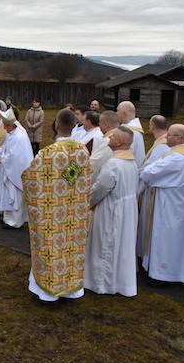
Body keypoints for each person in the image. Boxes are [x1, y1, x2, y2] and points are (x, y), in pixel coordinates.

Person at [22, 108, 92, 302]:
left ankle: (48, 293)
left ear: (57, 125)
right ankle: (71, 290)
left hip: (51, 212)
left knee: (50, 247)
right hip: (74, 212)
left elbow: (30, 178)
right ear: (73, 126)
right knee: (71, 248)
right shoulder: (82, 151)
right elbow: (81, 178)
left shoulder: (48, 153)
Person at [140, 124, 184, 285]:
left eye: (170, 135)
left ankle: (162, 274)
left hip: (169, 204)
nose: (166, 137)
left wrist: (147, 170)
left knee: (164, 237)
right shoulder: (179, 154)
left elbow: (148, 173)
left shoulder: (177, 158)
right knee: (167, 237)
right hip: (173, 201)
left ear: (179, 138)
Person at [85, 126, 139, 297]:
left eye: (113, 137)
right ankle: (121, 282)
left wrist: (87, 200)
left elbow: (100, 189)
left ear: (120, 142)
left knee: (105, 245)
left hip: (111, 210)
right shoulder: (132, 162)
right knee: (121, 246)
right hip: (127, 210)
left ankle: (102, 283)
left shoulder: (113, 164)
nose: (109, 139)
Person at [0, 108, 34, 229]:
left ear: (11, 125)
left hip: (16, 171)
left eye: (5, 126)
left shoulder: (19, 136)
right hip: (11, 170)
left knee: (15, 196)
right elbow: (7, 149)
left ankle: (15, 222)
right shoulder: (12, 133)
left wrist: (3, 160)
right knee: (9, 195)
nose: (4, 128)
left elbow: (16, 156)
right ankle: (8, 217)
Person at [136, 115, 169, 257]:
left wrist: (137, 174)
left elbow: (149, 169)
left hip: (153, 192)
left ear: (153, 125)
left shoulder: (162, 146)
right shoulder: (160, 143)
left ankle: (147, 256)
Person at [90, 110, 118, 180]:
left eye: (100, 122)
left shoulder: (109, 142)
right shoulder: (120, 137)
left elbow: (95, 164)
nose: (98, 124)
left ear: (106, 125)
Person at [116, 101, 145, 166]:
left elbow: (125, 152)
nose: (116, 113)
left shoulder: (130, 131)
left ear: (124, 113)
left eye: (117, 111)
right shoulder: (133, 128)